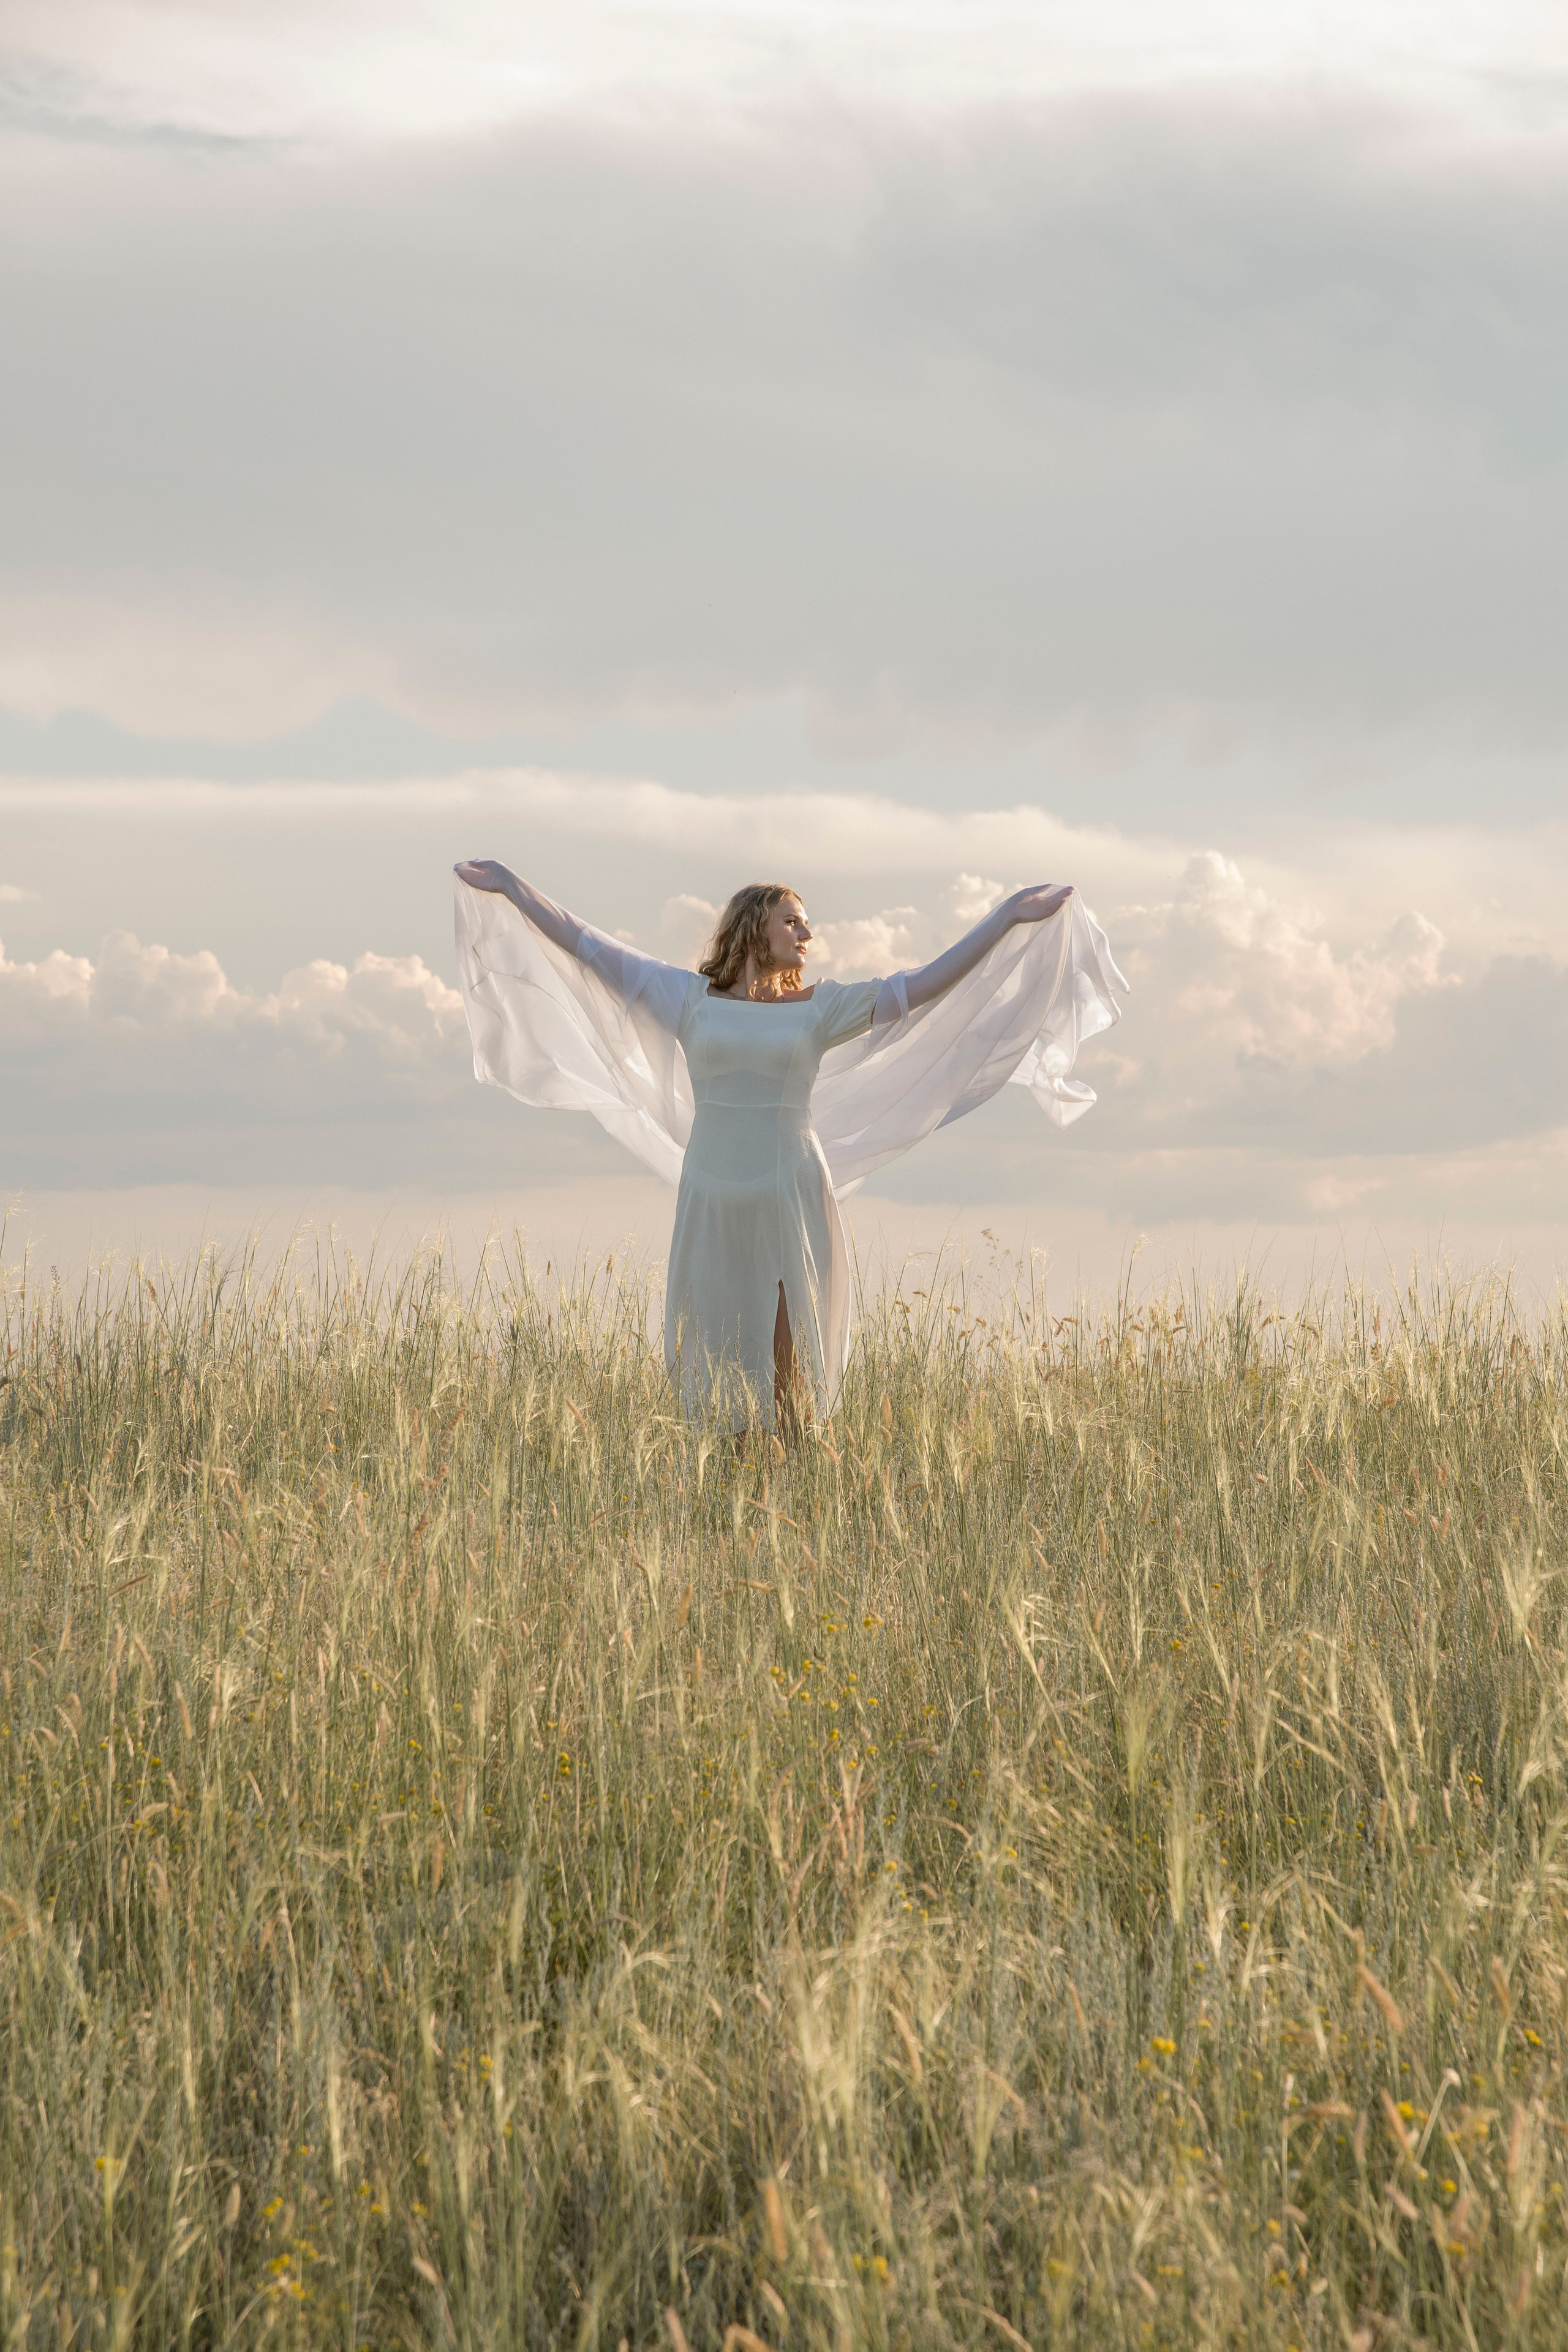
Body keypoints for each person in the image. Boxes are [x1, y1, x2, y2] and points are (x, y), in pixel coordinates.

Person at [453, 861, 1126, 1429]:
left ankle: (795, 1500)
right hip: (713, 1196)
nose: (807, 933)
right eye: (793, 922)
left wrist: (1006, 917)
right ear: (755, 928)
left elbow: (925, 984)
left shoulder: (821, 1008)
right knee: (718, 1369)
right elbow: (585, 944)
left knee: (788, 1379)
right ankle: (731, 1509)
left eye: (805, 924)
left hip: (789, 1194)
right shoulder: (687, 999)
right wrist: (513, 887)